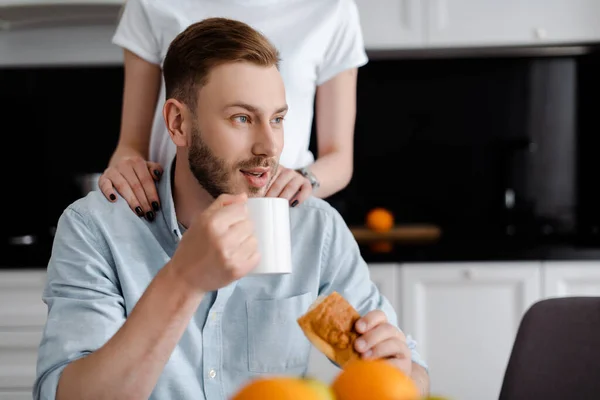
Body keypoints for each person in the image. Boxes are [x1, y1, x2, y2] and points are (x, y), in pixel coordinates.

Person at [34, 18, 429, 400]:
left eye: (276, 119)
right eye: (242, 118)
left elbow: (414, 376)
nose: (269, 147)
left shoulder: (314, 228)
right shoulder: (95, 229)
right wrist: (184, 280)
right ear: (177, 123)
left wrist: (396, 371)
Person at [99, 0, 365, 221]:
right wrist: (127, 169)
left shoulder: (332, 8)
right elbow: (130, 144)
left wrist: (301, 181)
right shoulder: (152, 4)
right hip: (167, 218)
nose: (269, 146)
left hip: (277, 218)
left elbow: (339, 158)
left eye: (278, 119)